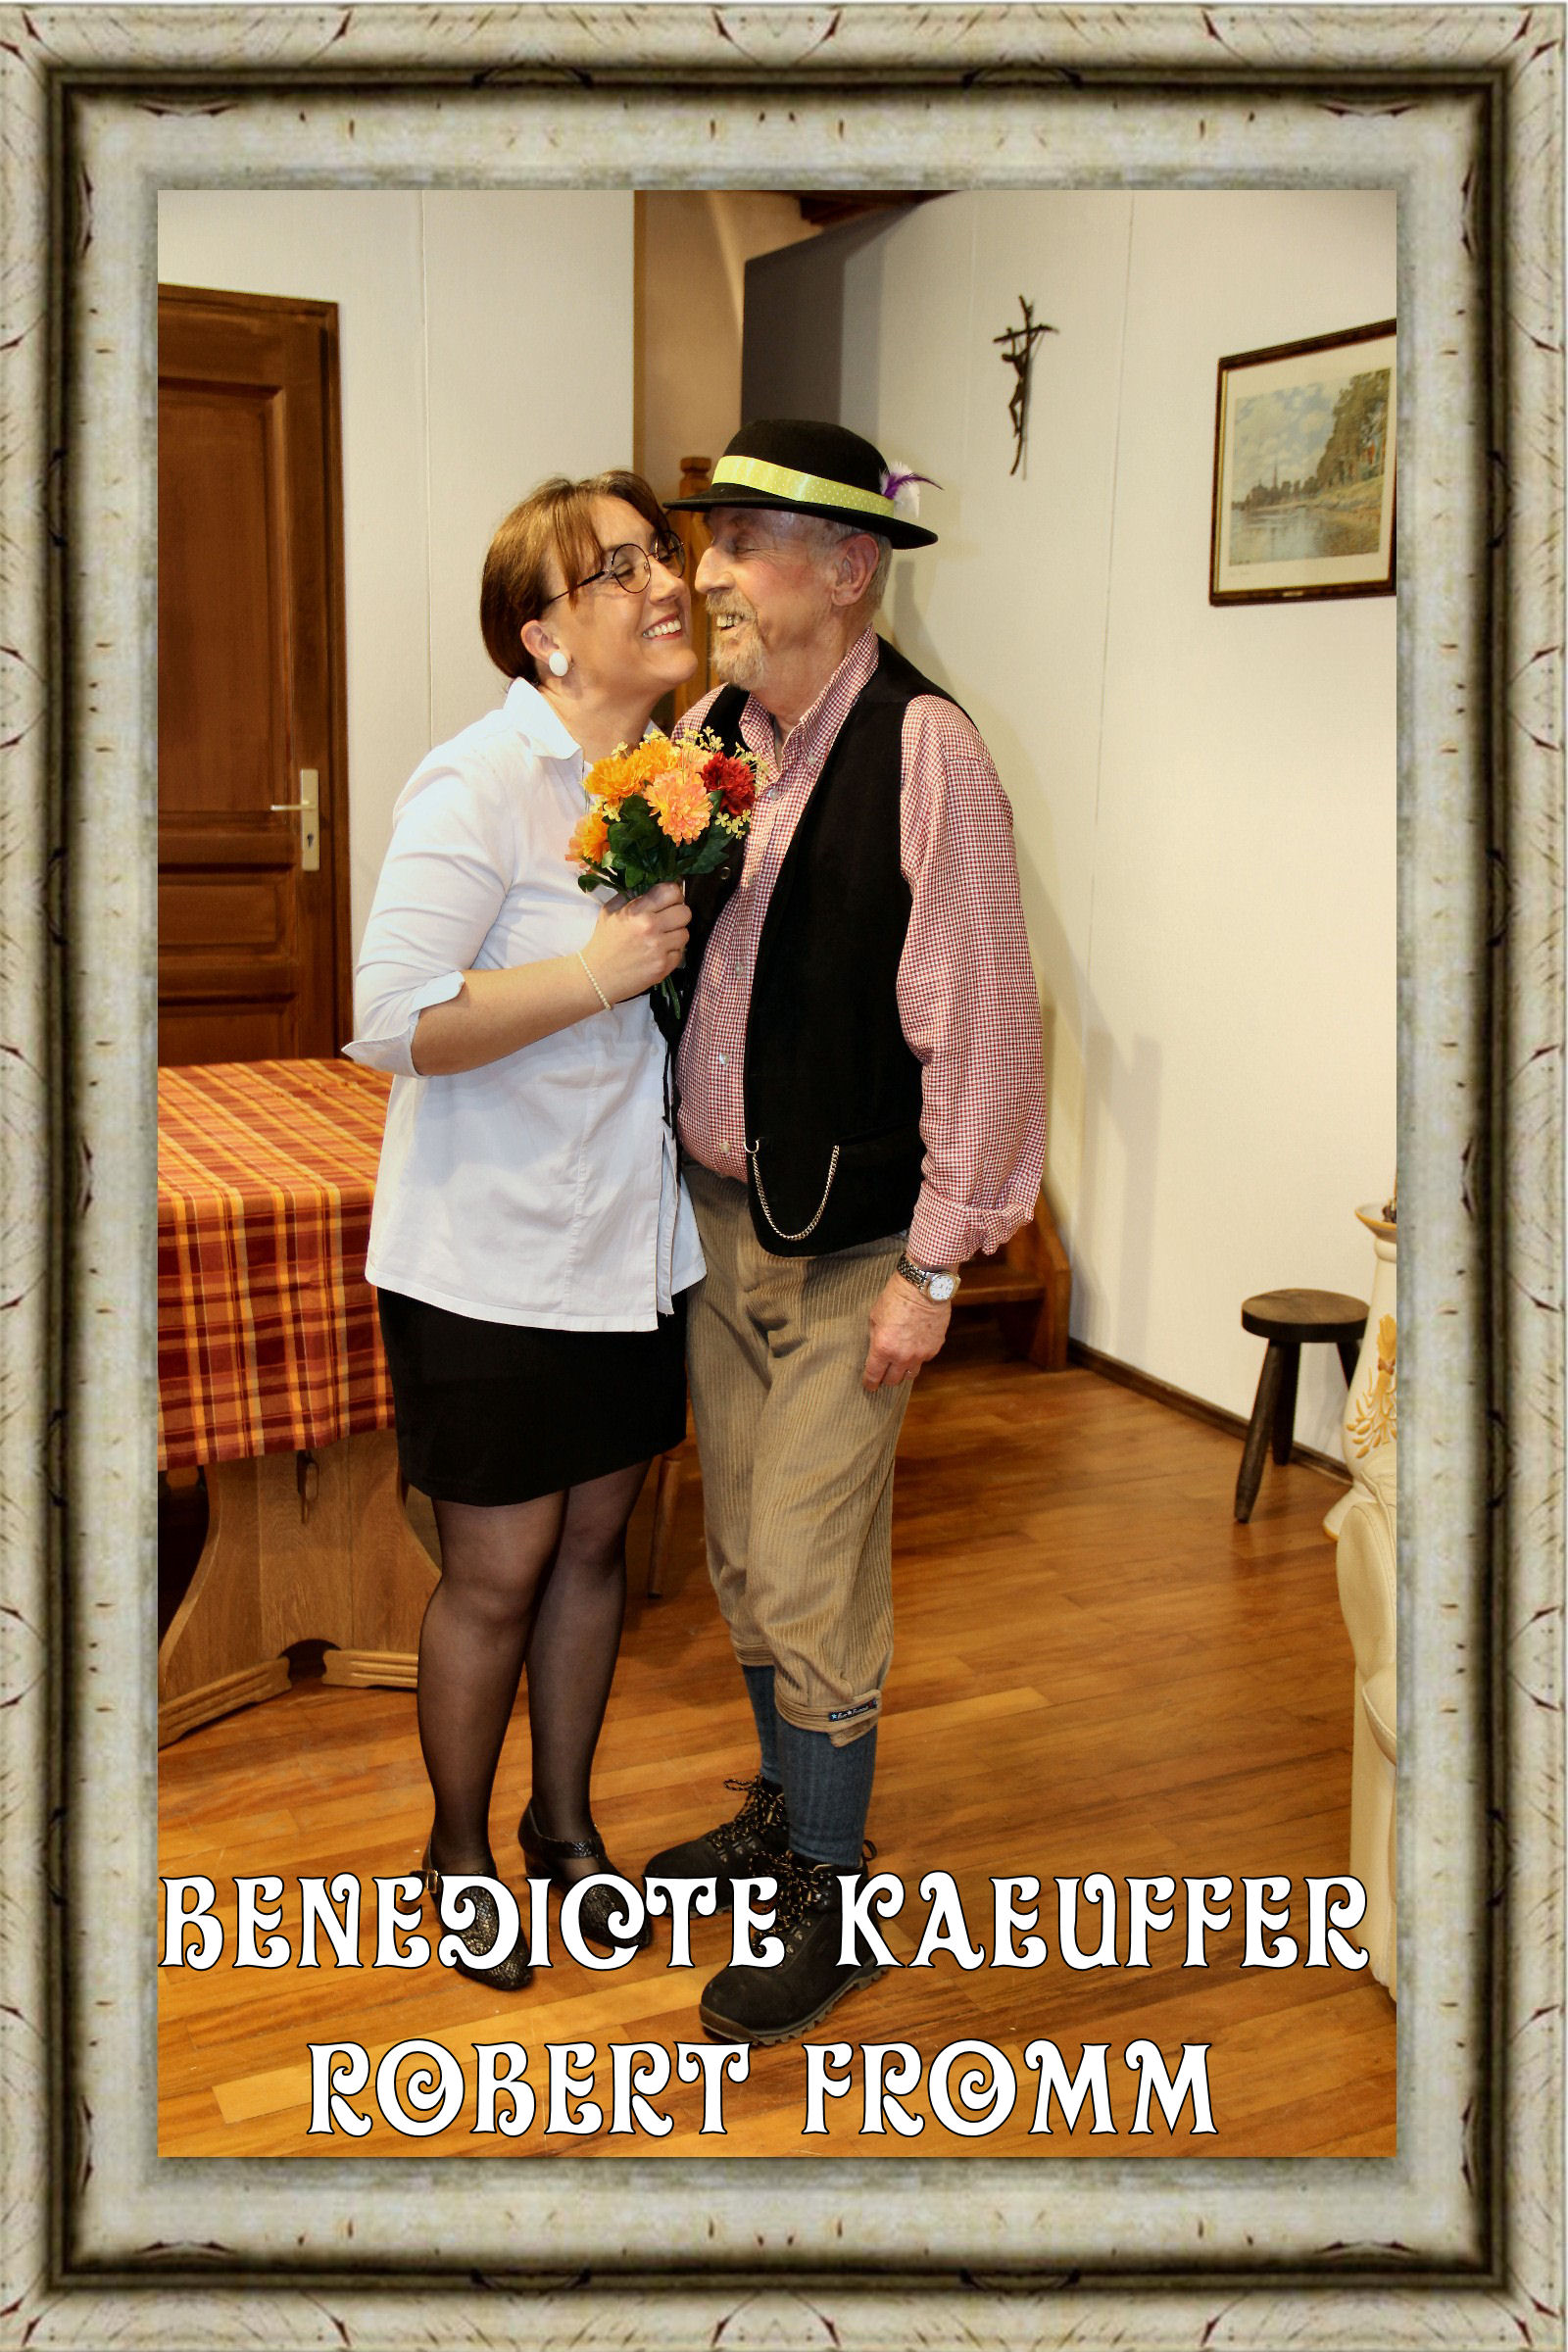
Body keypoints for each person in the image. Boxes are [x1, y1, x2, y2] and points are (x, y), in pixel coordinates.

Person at [646, 417, 1047, 2044]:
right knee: (747, 1553)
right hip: (719, 1220)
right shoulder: (722, 732)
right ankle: (780, 1813)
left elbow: (988, 1028)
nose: (710, 573)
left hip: (856, 1247)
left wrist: (936, 1269)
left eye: (742, 544)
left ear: (850, 568)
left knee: (812, 1568)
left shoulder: (925, 748)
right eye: (712, 540)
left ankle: (832, 1886)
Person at [344, 470, 699, 1989]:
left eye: (659, 552)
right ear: (543, 633)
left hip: (629, 1240)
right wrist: (595, 973)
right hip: (485, 1252)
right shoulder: (479, 781)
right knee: (497, 1573)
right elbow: (392, 1018)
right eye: (619, 568)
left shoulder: (676, 780)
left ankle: (565, 1826)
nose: (663, 580)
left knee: (597, 1549)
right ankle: (456, 1850)